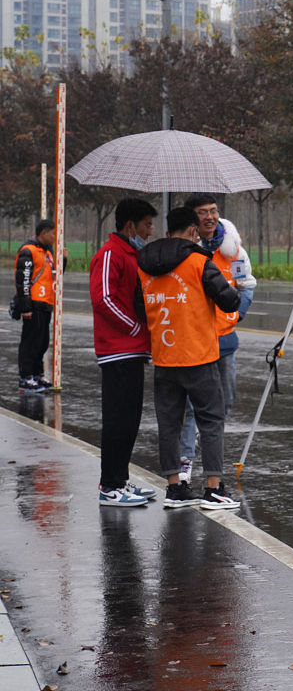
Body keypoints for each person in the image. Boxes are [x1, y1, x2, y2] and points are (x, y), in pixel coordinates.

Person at [137, 207, 245, 510]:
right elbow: (229, 300)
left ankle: (175, 489)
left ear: (167, 230)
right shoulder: (200, 262)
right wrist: (233, 288)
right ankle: (213, 489)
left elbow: (139, 306)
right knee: (211, 421)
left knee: (169, 424)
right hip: (198, 356)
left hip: (164, 357)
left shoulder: (143, 264)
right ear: (194, 231)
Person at [176, 194, 256, 483]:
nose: (210, 217)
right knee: (190, 404)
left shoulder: (232, 249)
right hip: (193, 341)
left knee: (226, 398)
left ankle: (205, 439)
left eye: (213, 211)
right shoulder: (184, 249)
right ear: (192, 218)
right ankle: (185, 460)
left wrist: (237, 315)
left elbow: (246, 285)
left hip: (223, 340)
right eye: (202, 212)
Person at [90, 198, 160, 507]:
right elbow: (103, 299)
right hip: (118, 351)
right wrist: (133, 328)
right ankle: (110, 486)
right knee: (117, 420)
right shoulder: (110, 254)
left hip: (134, 351)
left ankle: (120, 479)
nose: (150, 230)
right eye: (146, 224)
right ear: (129, 226)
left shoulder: (133, 254)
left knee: (130, 420)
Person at [13, 218, 60, 392]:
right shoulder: (29, 251)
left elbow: (55, 275)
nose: (55, 237)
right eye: (53, 233)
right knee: (30, 342)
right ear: (44, 233)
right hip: (33, 303)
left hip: (46, 302)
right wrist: (26, 307)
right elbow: (23, 280)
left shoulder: (48, 253)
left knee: (42, 342)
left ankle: (38, 374)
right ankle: (26, 377)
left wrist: (63, 260)